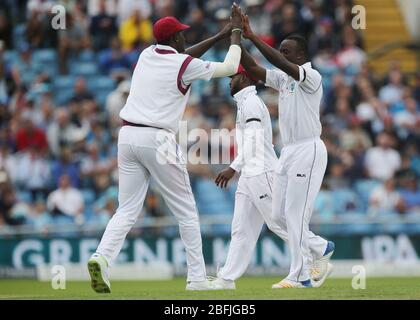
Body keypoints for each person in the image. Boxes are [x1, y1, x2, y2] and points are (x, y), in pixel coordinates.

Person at [88, 3, 244, 293]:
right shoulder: (182, 63)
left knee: (126, 210)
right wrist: (234, 33)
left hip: (128, 136)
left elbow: (183, 58)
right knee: (186, 211)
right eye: (181, 35)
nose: (184, 38)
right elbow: (231, 67)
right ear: (174, 40)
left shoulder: (147, 54)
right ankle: (196, 278)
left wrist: (220, 34)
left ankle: (101, 258)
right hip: (157, 139)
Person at [239, 13, 334, 288]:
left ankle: (301, 276)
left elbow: (276, 63)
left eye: (286, 51)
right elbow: (254, 69)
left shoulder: (311, 76)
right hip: (288, 152)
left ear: (301, 54)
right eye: (280, 50)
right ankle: (321, 247)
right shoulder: (284, 79)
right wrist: (235, 37)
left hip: (309, 149)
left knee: (294, 216)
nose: (281, 55)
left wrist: (253, 35)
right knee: (277, 217)